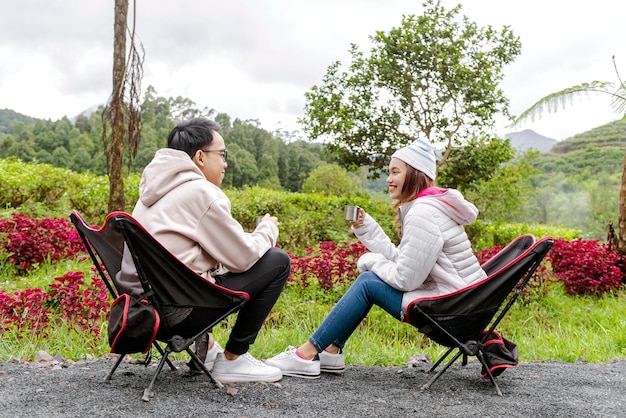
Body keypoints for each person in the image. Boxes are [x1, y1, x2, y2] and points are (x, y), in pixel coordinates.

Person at [265, 138, 486, 378]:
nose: (389, 179)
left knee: (368, 283)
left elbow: (405, 279)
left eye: (395, 172)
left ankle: (305, 355)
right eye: (389, 172)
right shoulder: (431, 207)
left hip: (453, 311)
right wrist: (367, 228)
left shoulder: (423, 212)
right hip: (460, 304)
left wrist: (370, 262)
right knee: (370, 280)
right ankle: (330, 349)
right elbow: (404, 260)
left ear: (414, 173)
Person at [118, 117, 289, 384]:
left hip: (144, 311)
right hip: (179, 315)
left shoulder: (152, 191)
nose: (225, 163)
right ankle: (234, 359)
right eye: (222, 155)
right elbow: (242, 258)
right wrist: (267, 229)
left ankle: (206, 350)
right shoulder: (202, 193)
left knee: (200, 269)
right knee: (277, 260)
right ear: (199, 157)